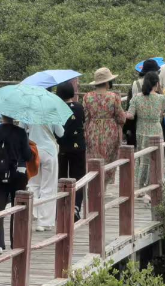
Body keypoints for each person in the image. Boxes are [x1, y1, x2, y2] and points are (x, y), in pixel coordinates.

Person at [0, 115, 32, 252]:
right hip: (17, 175)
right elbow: (27, 155)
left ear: (2, 116)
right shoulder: (21, 132)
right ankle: (15, 241)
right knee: (17, 208)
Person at [125, 72, 165, 192]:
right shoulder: (161, 98)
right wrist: (160, 90)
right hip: (156, 129)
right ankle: (155, 183)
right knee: (156, 156)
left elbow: (130, 115)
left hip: (141, 129)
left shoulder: (137, 97)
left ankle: (140, 185)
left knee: (142, 157)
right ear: (157, 83)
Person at [82, 68, 127, 183]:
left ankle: (94, 183)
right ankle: (105, 184)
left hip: (92, 130)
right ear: (107, 82)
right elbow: (121, 118)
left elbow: (85, 117)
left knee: (94, 159)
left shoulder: (87, 97)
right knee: (109, 160)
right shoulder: (114, 97)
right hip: (110, 132)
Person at [26, 118, 63, 232]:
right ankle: (44, 222)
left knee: (33, 184)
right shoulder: (52, 112)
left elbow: (21, 129)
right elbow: (61, 133)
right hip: (49, 151)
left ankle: (33, 212)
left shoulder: (28, 111)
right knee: (48, 187)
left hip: (33, 151)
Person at [55, 83, 86, 219]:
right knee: (78, 177)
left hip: (62, 146)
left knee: (61, 177)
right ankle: (76, 207)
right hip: (78, 146)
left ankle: (61, 207)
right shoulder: (79, 107)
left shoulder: (57, 108)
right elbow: (83, 122)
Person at [124, 59, 160, 147]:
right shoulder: (155, 83)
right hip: (153, 121)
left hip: (137, 121)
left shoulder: (135, 83)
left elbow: (129, 104)